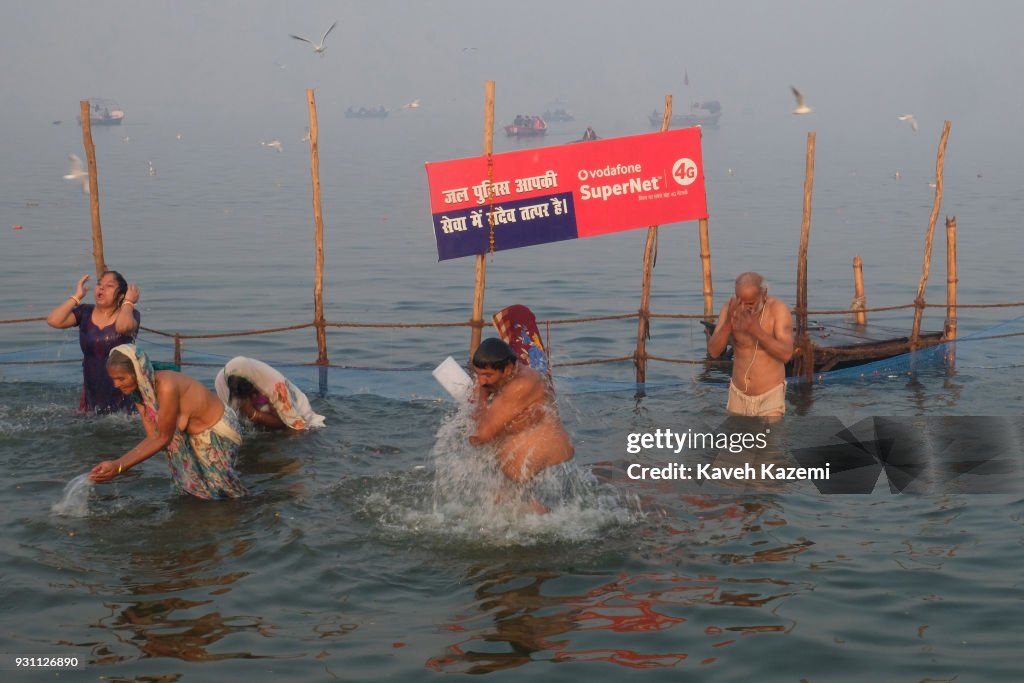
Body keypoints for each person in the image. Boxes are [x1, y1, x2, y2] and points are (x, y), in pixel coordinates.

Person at [88, 344, 246, 500]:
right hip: (193, 434)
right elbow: (154, 437)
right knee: (195, 490)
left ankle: (249, 512)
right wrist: (117, 465)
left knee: (223, 490)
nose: (116, 385)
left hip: (217, 429)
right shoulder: (140, 391)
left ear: (138, 372)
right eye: (113, 379)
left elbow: (163, 438)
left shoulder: (166, 386)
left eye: (121, 378)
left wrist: (118, 466)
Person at [468, 338, 573, 483]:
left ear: (508, 368)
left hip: (548, 472)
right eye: (478, 374)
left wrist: (482, 395)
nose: (481, 381)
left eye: (487, 375)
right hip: (527, 473)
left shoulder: (521, 385)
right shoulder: (504, 379)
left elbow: (481, 436)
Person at [46, 271, 141, 413]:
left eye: (109, 286)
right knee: (92, 417)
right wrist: (76, 297)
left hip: (123, 388)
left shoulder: (129, 314)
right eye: (99, 284)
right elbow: (54, 320)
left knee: (122, 419)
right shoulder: (85, 312)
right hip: (92, 386)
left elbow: (123, 327)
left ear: (121, 295)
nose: (101, 288)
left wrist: (128, 303)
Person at [707, 272, 794, 417]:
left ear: (764, 294)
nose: (745, 307)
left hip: (770, 395)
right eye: (740, 301)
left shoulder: (778, 310)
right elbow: (713, 351)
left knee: (769, 437)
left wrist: (755, 330)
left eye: (751, 303)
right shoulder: (730, 309)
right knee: (734, 439)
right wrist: (729, 322)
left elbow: (786, 354)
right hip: (738, 394)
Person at [214, 356, 326, 431]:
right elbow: (229, 423)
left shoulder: (275, 387)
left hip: (299, 424)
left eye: (253, 392)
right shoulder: (222, 383)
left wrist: (254, 414)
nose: (252, 397)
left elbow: (289, 427)